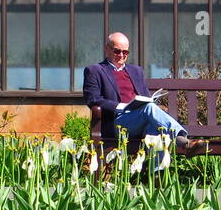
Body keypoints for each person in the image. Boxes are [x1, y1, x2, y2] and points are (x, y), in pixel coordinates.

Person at [81, 32, 203, 160]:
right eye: (117, 51)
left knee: (155, 129)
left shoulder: (136, 71)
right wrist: (120, 106)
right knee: (149, 109)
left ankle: (156, 175)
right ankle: (183, 142)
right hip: (116, 122)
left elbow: (144, 97)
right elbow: (93, 99)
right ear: (107, 49)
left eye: (125, 52)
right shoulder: (95, 70)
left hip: (140, 118)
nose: (121, 55)